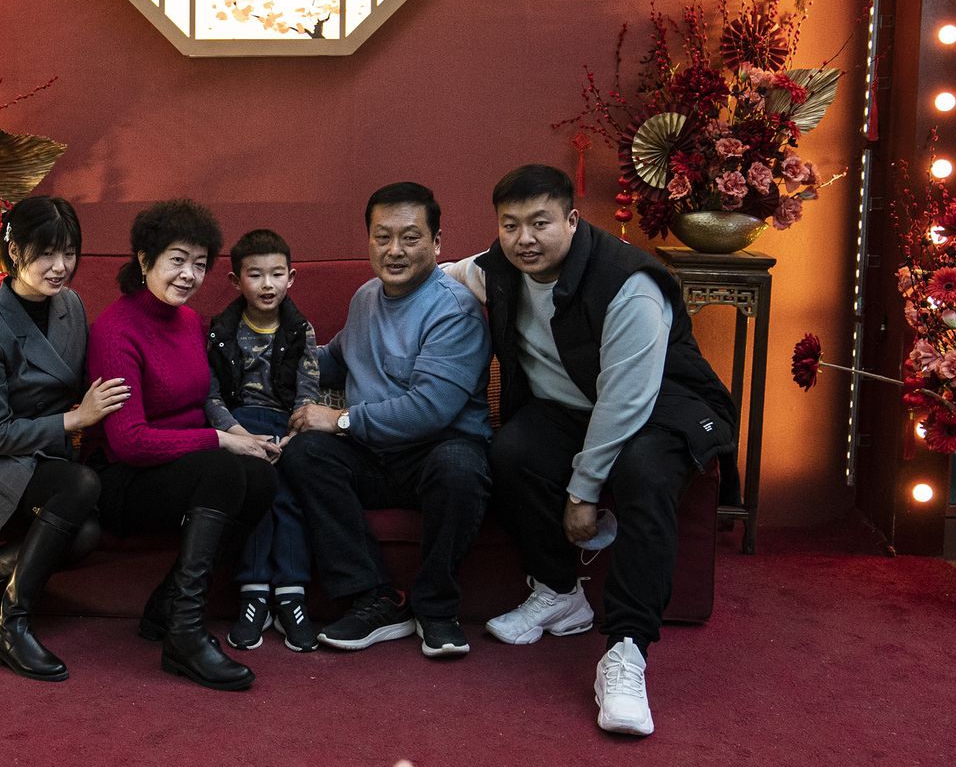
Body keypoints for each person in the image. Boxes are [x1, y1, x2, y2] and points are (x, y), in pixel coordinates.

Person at [447, 164, 736, 737]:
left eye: (540, 223)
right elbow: (444, 274)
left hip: (662, 405)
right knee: (511, 451)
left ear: (573, 221)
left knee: (644, 475)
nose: (524, 239)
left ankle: (627, 649)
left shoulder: (629, 283)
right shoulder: (498, 267)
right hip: (572, 406)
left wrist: (583, 492)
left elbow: (626, 400)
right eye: (510, 225)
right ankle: (559, 592)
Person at [280, 182, 493, 660]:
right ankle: (376, 598)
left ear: (436, 243)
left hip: (436, 452)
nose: (394, 250)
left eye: (410, 237)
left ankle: (436, 608)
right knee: (305, 453)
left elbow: (429, 409)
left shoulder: (455, 309)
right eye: (383, 237)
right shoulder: (365, 298)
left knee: (460, 467)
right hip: (374, 457)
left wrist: (338, 420)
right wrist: (271, 356)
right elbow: (336, 359)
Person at [0, 196, 130, 681]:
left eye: (69, 253)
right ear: (15, 250)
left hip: (50, 458)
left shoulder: (71, 305)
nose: (61, 267)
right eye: (46, 253)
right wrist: (74, 420)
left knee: (85, 533)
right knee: (81, 486)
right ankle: (11, 625)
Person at [87, 199, 278, 691]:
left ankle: (166, 606)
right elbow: (128, 441)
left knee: (260, 474)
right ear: (144, 259)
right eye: (177, 260)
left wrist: (240, 436)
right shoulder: (115, 330)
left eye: (199, 263)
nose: (189, 275)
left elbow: (203, 400)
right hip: (124, 479)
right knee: (223, 469)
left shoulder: (191, 322)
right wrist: (218, 441)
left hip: (181, 467)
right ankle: (185, 635)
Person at [202, 229, 322, 652]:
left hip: (287, 428)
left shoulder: (300, 330)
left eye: (276, 274)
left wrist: (290, 436)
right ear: (236, 281)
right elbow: (210, 395)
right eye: (255, 275)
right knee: (254, 495)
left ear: (291, 277)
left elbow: (309, 393)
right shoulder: (221, 331)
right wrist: (239, 436)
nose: (267, 284)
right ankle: (253, 592)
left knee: (287, 495)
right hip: (239, 426)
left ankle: (291, 593)